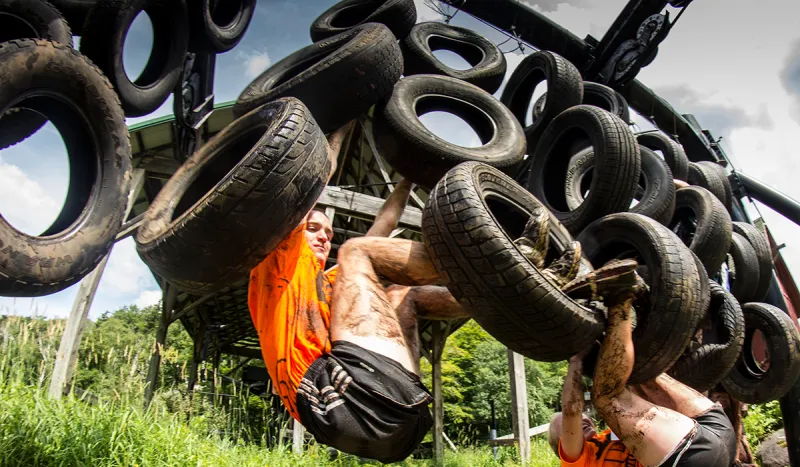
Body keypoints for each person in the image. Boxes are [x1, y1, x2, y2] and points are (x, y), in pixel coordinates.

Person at [248, 122, 470, 463]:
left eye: (328, 232)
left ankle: (489, 297)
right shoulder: (278, 263)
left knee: (401, 295)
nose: (324, 236)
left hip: (401, 412)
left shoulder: (335, 284)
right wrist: (339, 127)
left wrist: (409, 176)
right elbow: (310, 184)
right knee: (355, 250)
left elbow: (385, 224)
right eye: (313, 228)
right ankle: (483, 267)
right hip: (333, 396)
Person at [548, 270, 737, 467]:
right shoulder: (575, 461)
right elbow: (571, 409)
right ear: (561, 444)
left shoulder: (612, 435)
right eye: (566, 426)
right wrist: (576, 360)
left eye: (583, 418)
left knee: (640, 374)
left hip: (711, 431)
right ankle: (621, 294)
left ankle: (655, 298)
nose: (583, 420)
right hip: (690, 455)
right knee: (605, 398)